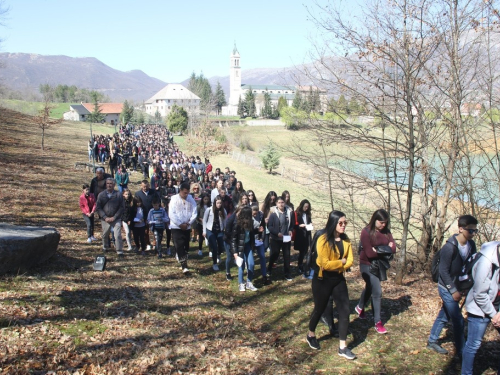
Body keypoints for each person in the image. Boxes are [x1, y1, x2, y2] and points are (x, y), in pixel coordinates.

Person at [306, 210, 355, 360]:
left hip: (338, 279)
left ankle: (342, 347)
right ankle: (310, 333)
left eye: (345, 223)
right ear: (333, 223)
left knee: (345, 311)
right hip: (322, 280)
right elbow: (324, 264)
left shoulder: (346, 240)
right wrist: (341, 262)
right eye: (341, 223)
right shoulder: (323, 239)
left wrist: (339, 266)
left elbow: (351, 261)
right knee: (319, 309)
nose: (343, 226)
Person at [427, 215, 478, 356]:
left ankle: (432, 341)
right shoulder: (449, 247)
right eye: (470, 230)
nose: (473, 233)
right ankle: (462, 351)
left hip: (459, 286)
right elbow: (443, 271)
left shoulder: (471, 245)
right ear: (461, 229)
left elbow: (471, 265)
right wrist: (453, 290)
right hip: (446, 287)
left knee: (445, 314)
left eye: (475, 231)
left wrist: (467, 285)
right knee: (457, 319)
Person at [355, 209, 396, 334]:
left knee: (370, 286)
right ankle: (378, 322)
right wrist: (385, 249)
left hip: (379, 265)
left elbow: (393, 248)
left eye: (385, 223)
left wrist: (378, 249)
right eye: (381, 222)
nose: (383, 225)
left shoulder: (386, 232)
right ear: (375, 220)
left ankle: (359, 307)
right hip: (366, 264)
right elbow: (369, 253)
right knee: (377, 290)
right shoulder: (366, 232)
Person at [461, 241, 500, 375]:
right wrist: (494, 315)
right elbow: (480, 294)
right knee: (473, 344)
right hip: (479, 309)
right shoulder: (486, 263)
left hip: (497, 307)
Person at [169, 182, 198, 274]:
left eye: (187, 193)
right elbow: (171, 214)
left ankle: (179, 254)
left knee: (186, 245)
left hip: (187, 226)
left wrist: (189, 223)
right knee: (180, 244)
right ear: (180, 191)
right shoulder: (174, 199)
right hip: (176, 226)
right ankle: (184, 266)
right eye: (184, 193)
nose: (186, 195)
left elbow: (194, 212)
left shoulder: (191, 199)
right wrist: (179, 224)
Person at [231, 206, 258, 292]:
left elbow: (251, 234)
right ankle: (241, 283)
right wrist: (235, 253)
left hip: (248, 246)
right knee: (241, 265)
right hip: (239, 247)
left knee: (251, 264)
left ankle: (249, 282)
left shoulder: (251, 222)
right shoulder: (237, 224)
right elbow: (233, 240)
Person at [95, 178, 125, 256]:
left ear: (114, 185)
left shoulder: (118, 194)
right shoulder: (101, 195)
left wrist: (114, 217)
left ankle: (119, 251)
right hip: (105, 219)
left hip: (116, 218)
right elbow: (98, 207)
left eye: (111, 184)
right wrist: (105, 217)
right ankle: (105, 247)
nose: (109, 185)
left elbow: (122, 207)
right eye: (107, 183)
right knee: (105, 234)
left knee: (117, 234)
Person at [267, 196, 294, 281]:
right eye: (279, 202)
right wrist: (276, 233)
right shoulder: (273, 214)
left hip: (286, 238)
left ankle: (287, 273)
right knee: (274, 254)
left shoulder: (289, 212)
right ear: (276, 204)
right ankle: (269, 269)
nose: (281, 204)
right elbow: (269, 226)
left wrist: (290, 230)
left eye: (282, 202)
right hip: (276, 238)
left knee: (287, 256)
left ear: (284, 203)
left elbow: (292, 224)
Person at [203, 195, 227, 271]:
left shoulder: (223, 211)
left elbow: (225, 221)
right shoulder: (209, 210)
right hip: (210, 230)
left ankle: (218, 255)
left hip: (219, 230)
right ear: (214, 203)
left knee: (221, 246)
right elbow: (204, 220)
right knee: (214, 246)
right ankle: (214, 263)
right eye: (217, 203)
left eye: (220, 203)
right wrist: (204, 231)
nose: (219, 205)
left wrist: (225, 230)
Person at [135, 180, 160, 251]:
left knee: (155, 230)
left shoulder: (153, 192)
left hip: (153, 214)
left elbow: (158, 201)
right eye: (143, 187)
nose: (145, 188)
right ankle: (148, 244)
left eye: (146, 186)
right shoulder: (138, 194)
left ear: (148, 186)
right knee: (145, 231)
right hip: (143, 215)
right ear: (141, 186)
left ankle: (155, 244)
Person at [295, 199, 313, 274]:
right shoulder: (297, 213)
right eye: (305, 207)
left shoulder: (308, 214)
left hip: (307, 233)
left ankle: (303, 263)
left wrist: (311, 224)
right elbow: (294, 225)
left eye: (307, 207)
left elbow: (309, 221)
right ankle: (300, 264)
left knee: (306, 250)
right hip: (300, 234)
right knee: (302, 251)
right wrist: (299, 225)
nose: (306, 208)